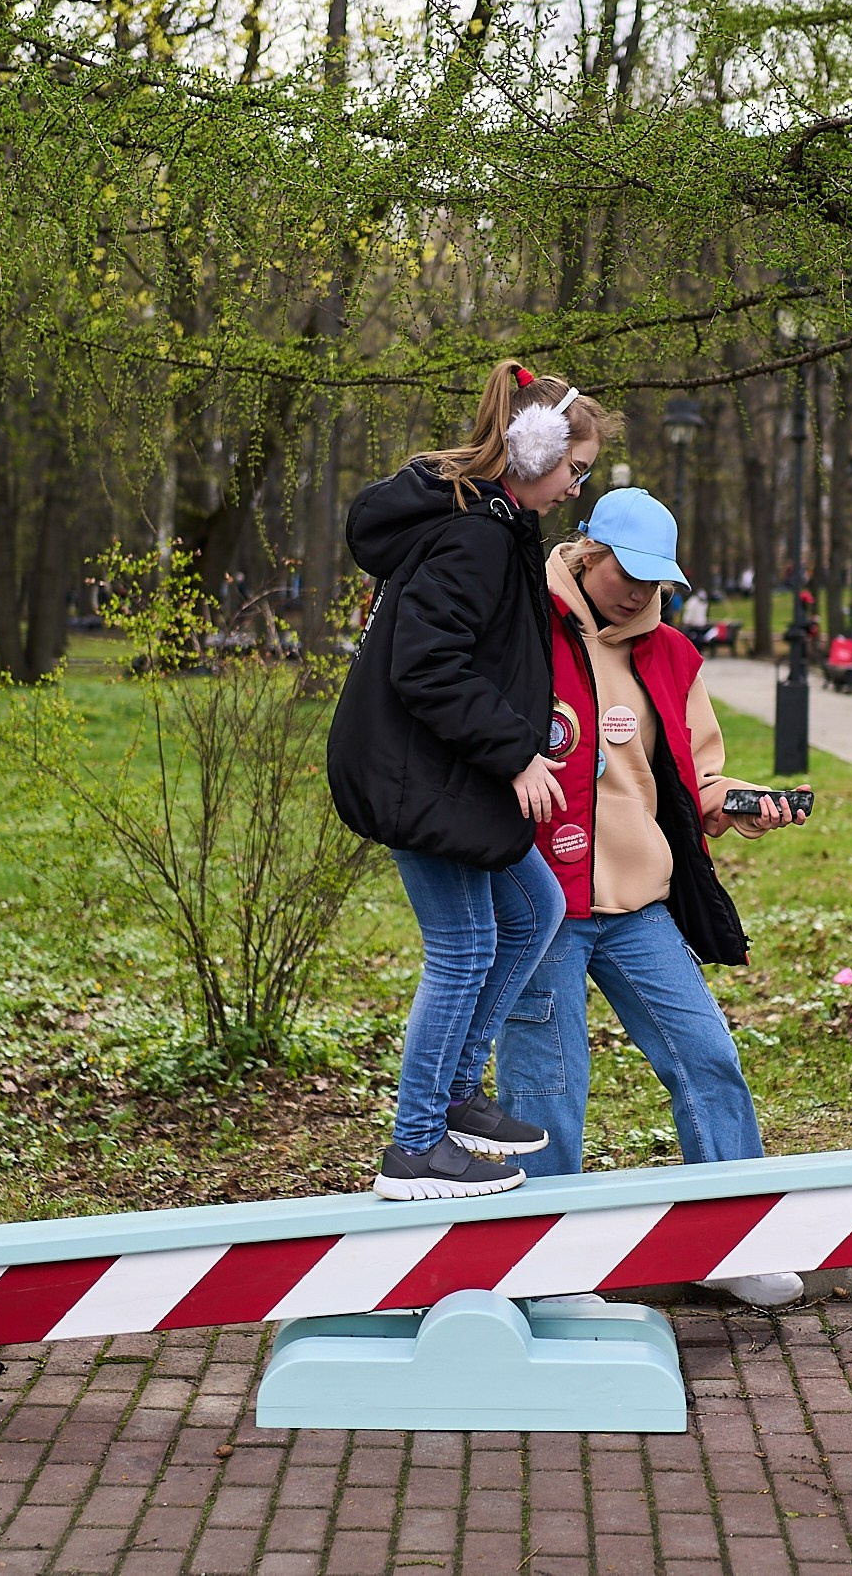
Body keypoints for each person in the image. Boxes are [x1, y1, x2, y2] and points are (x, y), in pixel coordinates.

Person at [492, 487, 811, 1306]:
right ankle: (542, 1271)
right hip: (544, 906)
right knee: (549, 1084)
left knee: (707, 1057)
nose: (640, 592)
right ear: (587, 550)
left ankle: (731, 1241)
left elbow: (698, 776)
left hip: (639, 907)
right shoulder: (522, 619)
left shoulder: (670, 654)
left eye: (657, 580)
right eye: (626, 572)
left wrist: (741, 801)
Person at [329, 360, 609, 1201]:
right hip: (421, 775)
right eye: (575, 466)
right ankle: (413, 1146)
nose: (576, 485)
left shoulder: (493, 525)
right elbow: (427, 666)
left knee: (535, 909)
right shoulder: (477, 534)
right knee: (464, 948)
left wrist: (522, 732)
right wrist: (515, 753)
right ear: (531, 451)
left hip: (451, 768)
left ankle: (451, 1101)